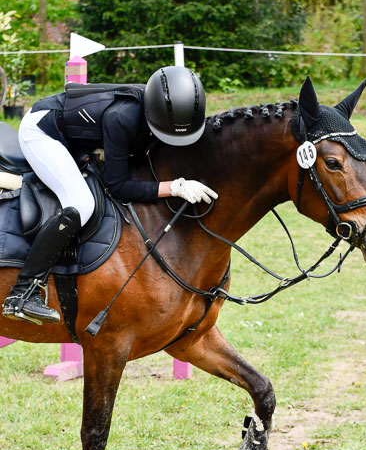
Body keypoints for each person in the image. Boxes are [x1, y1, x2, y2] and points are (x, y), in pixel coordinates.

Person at [2, 65, 217, 325]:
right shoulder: (121, 118)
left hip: (77, 137)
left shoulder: (167, 110)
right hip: (43, 132)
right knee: (81, 203)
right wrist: (173, 187)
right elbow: (118, 185)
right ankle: (23, 292)